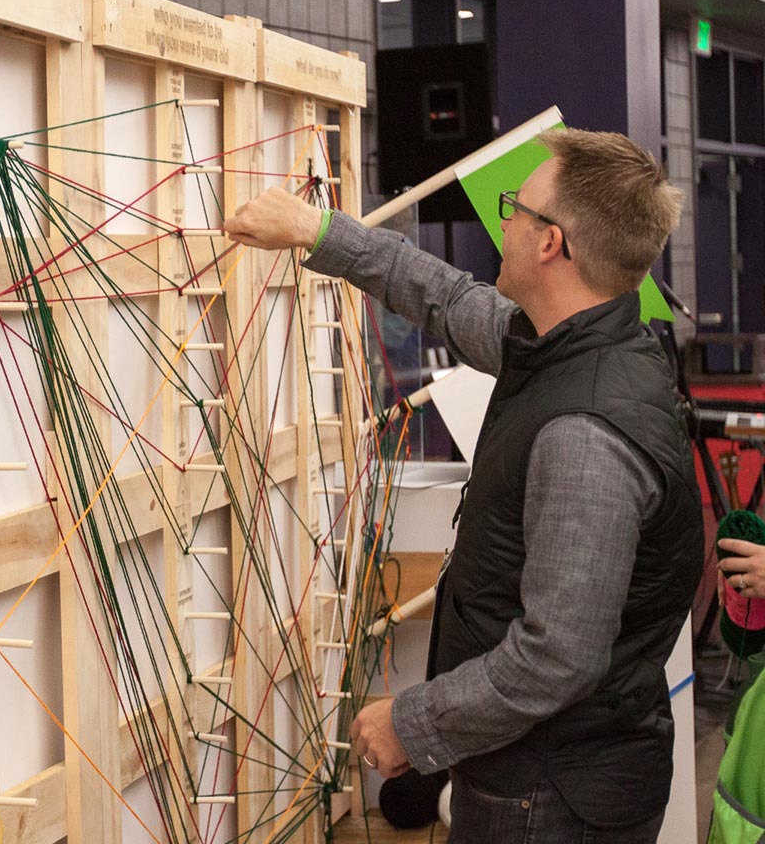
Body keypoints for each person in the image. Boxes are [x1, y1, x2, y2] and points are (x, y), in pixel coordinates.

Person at [224, 128, 704, 842]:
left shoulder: (585, 432)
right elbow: (445, 297)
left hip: (550, 798)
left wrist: (412, 725)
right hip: (544, 774)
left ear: (552, 244)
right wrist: (315, 229)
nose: (502, 219)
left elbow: (556, 658)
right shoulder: (563, 344)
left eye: (517, 207)